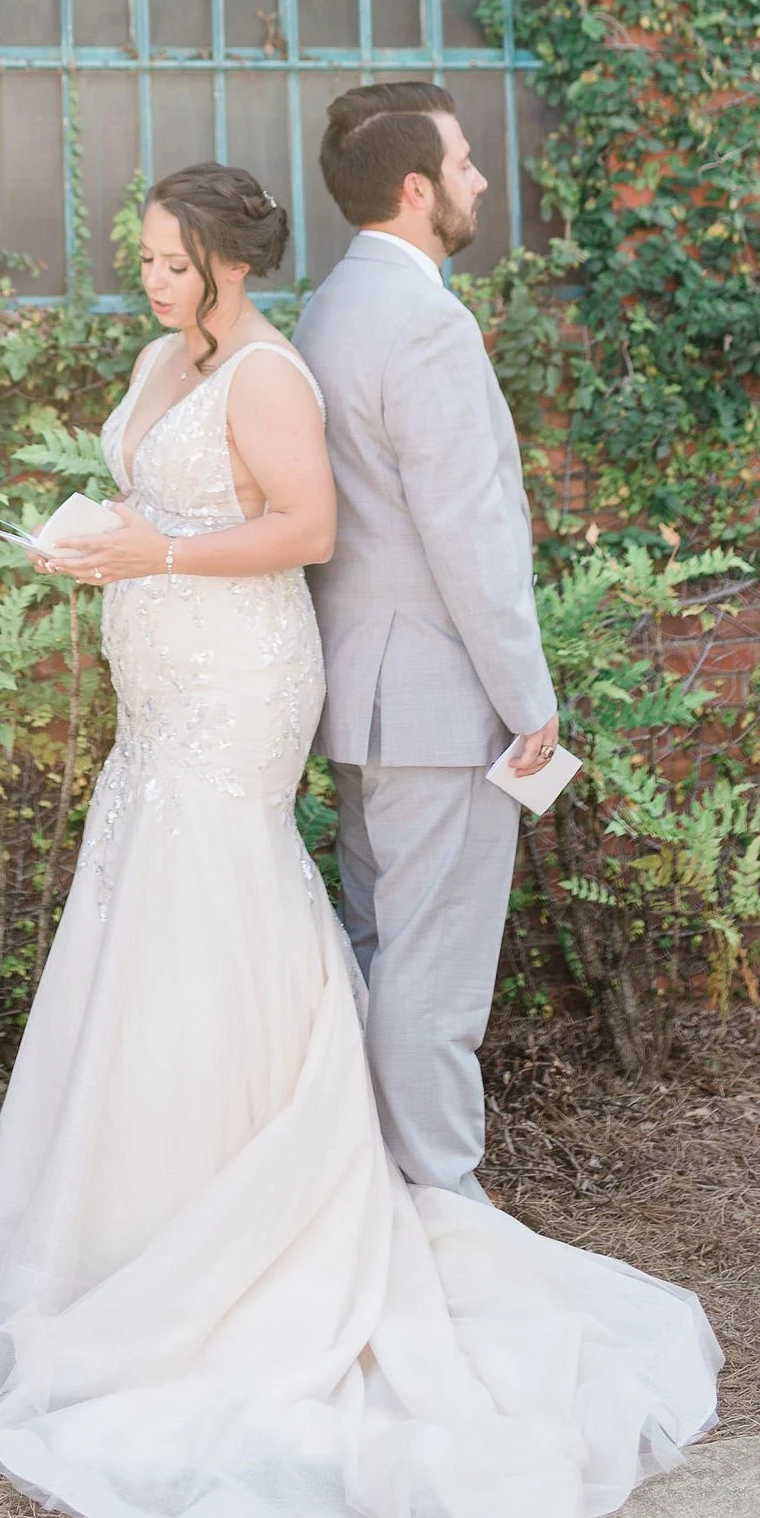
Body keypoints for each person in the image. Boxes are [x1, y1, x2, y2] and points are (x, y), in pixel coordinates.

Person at [0, 158, 718, 1518]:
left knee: (219, 899)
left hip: (240, 682)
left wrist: (156, 559)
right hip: (158, 685)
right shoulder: (156, 358)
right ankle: (130, 1219)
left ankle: (259, 1221)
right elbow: (170, 500)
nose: (152, 279)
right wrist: (106, 538)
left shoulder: (274, 374)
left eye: (173, 263)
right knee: (144, 919)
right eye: (147, 260)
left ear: (231, 266)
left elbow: (307, 529)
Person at [294, 79, 556, 1207]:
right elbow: (471, 539)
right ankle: (442, 1204)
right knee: (435, 977)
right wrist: (528, 699)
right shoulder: (426, 324)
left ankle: (374, 1195)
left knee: (378, 948)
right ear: (416, 188)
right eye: (463, 163)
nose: (480, 179)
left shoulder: (327, 307)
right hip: (442, 703)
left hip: (359, 696)